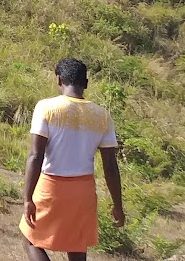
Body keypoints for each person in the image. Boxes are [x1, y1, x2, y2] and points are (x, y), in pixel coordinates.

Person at [20, 58, 122, 261]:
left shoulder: (47, 108)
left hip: (51, 186)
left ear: (59, 80)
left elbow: (36, 155)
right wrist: (117, 205)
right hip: (83, 190)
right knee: (77, 247)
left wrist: (27, 198)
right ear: (86, 83)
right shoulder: (102, 115)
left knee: (30, 239)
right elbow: (111, 166)